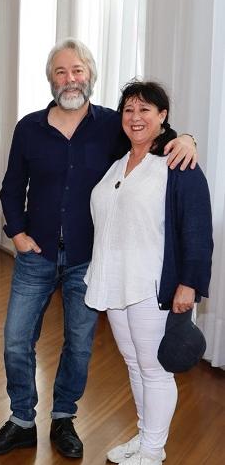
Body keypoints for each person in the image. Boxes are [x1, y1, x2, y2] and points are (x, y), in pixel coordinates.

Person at [0, 38, 197, 458]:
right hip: (35, 255)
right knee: (15, 339)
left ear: (90, 75)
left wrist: (187, 137)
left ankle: (64, 418)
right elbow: (10, 187)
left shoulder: (113, 125)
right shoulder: (29, 127)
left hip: (88, 260)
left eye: (77, 70)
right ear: (50, 79)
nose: (70, 78)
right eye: (60, 71)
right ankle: (22, 420)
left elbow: (153, 136)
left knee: (78, 345)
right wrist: (17, 233)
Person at [84, 81, 212, 465]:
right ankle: (144, 440)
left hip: (153, 286)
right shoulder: (118, 161)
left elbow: (197, 228)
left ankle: (153, 452)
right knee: (135, 365)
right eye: (129, 110)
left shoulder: (177, 164)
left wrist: (188, 284)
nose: (135, 118)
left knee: (155, 370)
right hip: (116, 281)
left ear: (162, 116)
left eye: (145, 110)